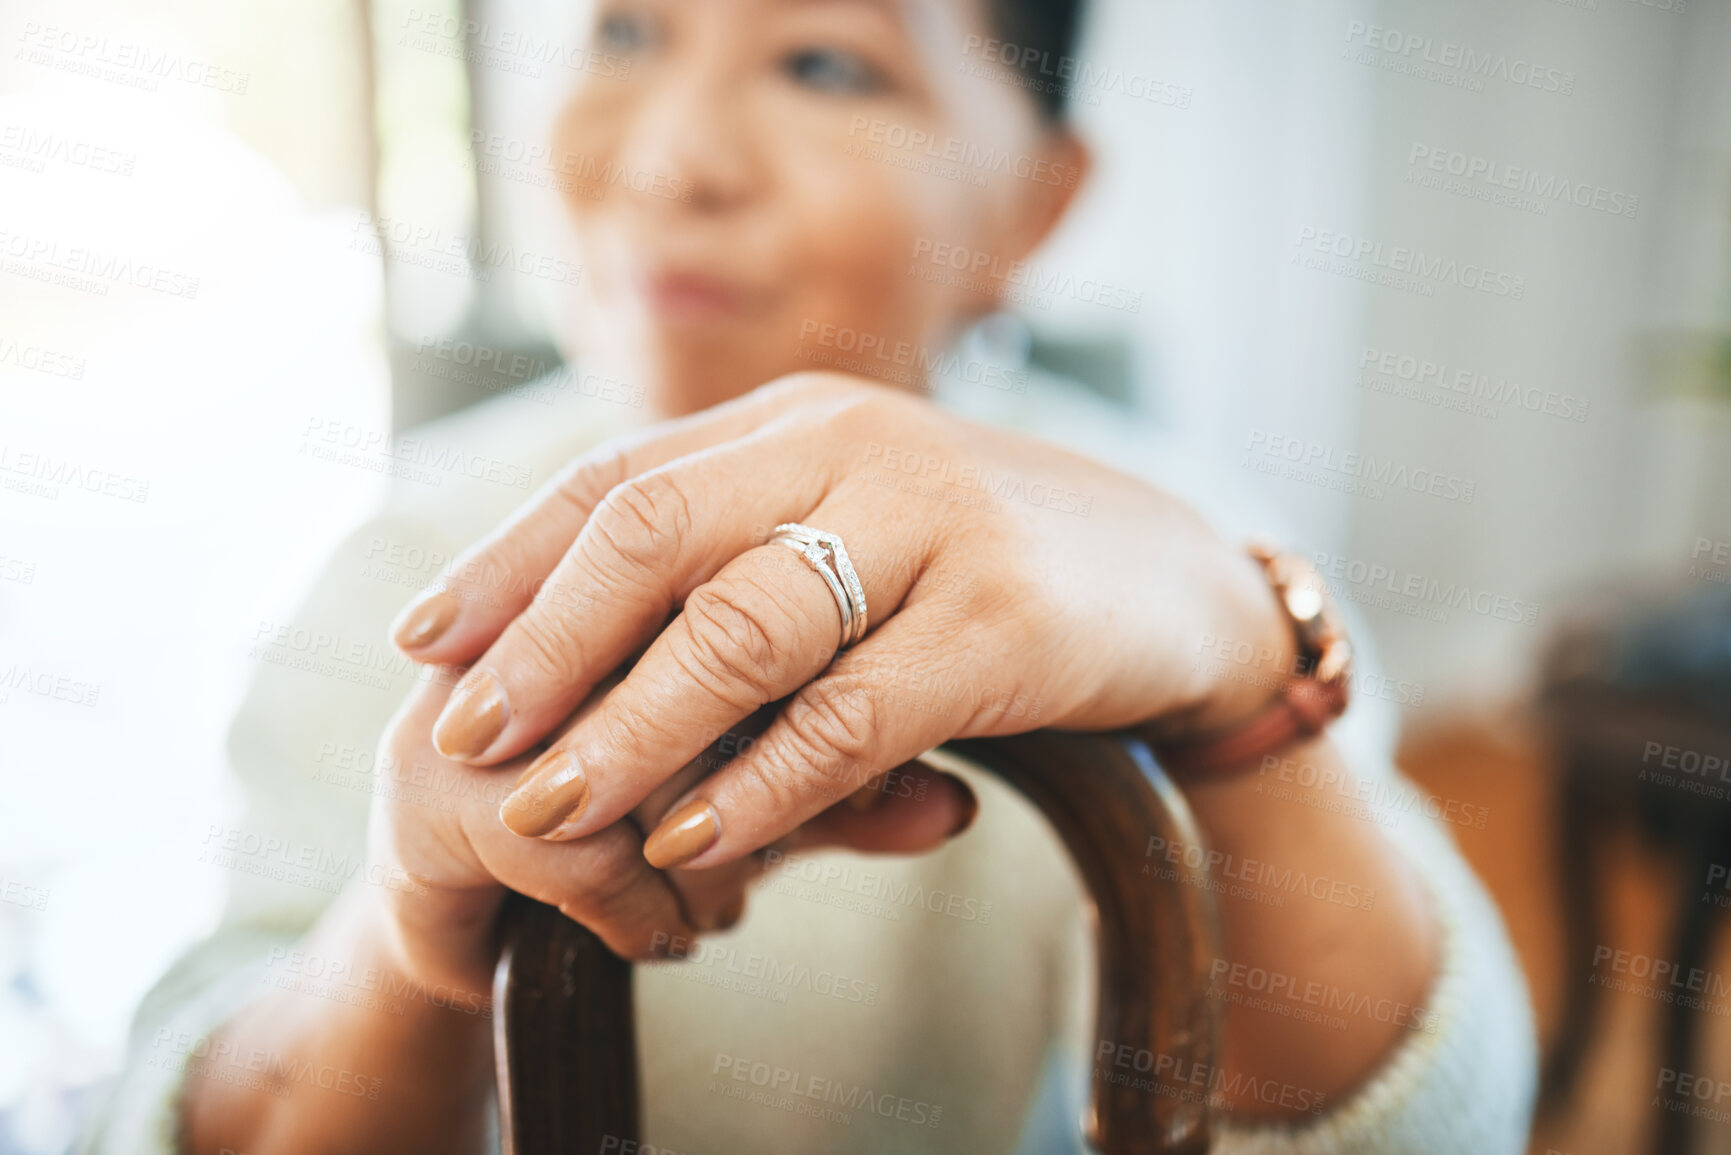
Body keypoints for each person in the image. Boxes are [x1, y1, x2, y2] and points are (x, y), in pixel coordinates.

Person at [80, 0, 1536, 1151]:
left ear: (1034, 201)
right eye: (629, 31)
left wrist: (1237, 688)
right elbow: (180, 1098)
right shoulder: (413, 560)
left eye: (827, 65)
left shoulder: (1178, 556)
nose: (672, 158)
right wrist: (415, 937)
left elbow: (1436, 1126)